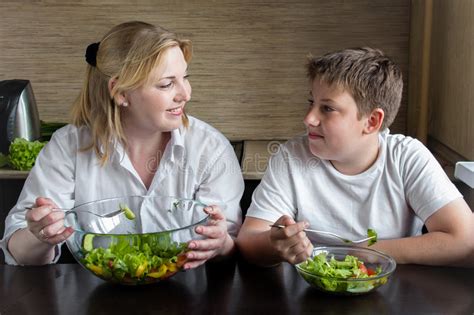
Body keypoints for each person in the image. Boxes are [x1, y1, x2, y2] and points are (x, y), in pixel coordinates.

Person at [0, 21, 244, 267]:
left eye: (185, 78)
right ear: (120, 92)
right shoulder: (67, 147)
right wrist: (40, 235)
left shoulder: (210, 149)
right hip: (96, 297)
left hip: (188, 295)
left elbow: (234, 246)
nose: (186, 93)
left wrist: (221, 243)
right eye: (167, 84)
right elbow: (18, 253)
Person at [236, 47, 474, 267]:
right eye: (312, 102)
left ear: (372, 121)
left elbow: (464, 240)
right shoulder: (291, 157)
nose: (309, 118)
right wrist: (276, 244)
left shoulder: (406, 157)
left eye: (327, 108)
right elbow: (248, 240)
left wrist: (362, 252)